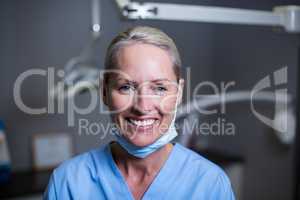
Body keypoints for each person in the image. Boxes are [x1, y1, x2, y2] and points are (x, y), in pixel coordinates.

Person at [44, 26, 235, 200]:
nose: (143, 106)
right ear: (104, 91)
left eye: (159, 88)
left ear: (178, 93)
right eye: (126, 87)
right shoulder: (67, 184)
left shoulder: (210, 185)